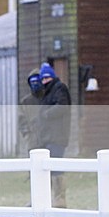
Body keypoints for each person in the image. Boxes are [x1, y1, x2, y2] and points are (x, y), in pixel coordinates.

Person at [37, 63, 71, 207]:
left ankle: (59, 199)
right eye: (42, 79)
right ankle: (44, 199)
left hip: (57, 137)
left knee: (56, 168)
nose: (45, 81)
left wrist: (46, 114)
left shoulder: (59, 88)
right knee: (46, 168)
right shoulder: (47, 92)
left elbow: (62, 106)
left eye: (47, 78)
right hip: (48, 137)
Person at [18, 72, 44, 154]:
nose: (35, 84)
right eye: (32, 82)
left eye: (37, 81)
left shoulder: (48, 98)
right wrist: (27, 134)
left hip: (47, 140)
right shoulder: (25, 101)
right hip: (32, 142)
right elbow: (21, 120)